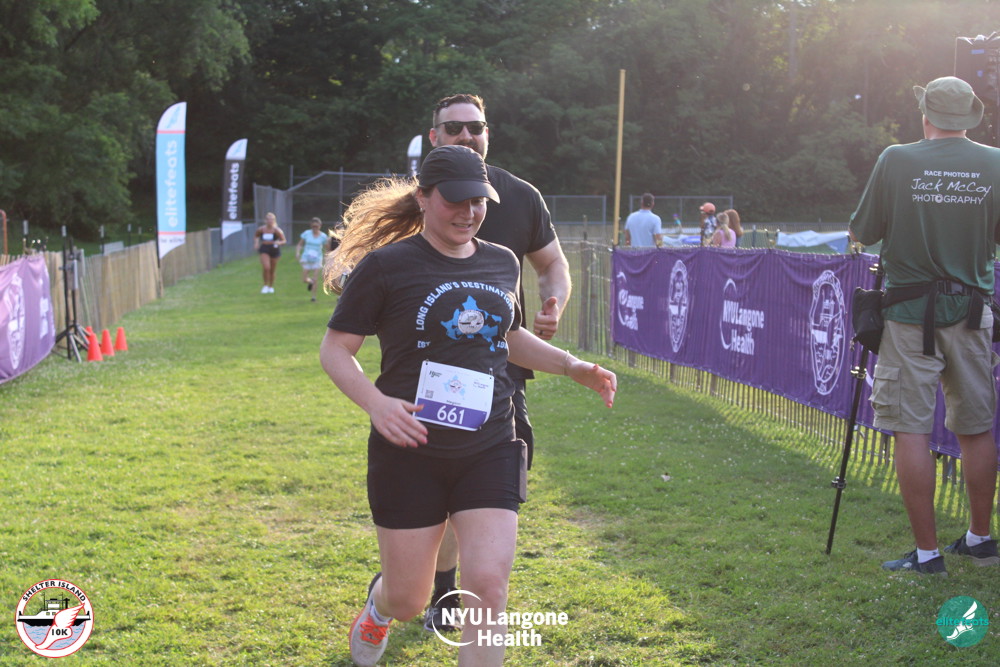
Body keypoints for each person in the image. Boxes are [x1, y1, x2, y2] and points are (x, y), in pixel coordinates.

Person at [321, 145, 616, 667]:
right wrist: (378, 405)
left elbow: (509, 336)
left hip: (490, 442)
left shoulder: (501, 260)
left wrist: (572, 366)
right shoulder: (387, 266)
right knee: (409, 599)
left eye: (478, 200)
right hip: (409, 447)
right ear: (423, 198)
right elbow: (335, 350)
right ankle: (380, 605)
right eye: (455, 200)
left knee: (488, 589)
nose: (469, 211)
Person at [422, 93, 573, 632]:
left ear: (488, 133)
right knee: (444, 490)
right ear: (434, 136)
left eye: (476, 126)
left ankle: (460, 584)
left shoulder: (521, 196)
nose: (467, 135)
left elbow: (552, 263)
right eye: (454, 128)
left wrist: (553, 301)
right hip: (436, 371)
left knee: (494, 480)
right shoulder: (421, 196)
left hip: (504, 368)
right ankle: (438, 587)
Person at [849, 76, 1000, 575]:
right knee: (976, 428)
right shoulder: (996, 163)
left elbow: (862, 231)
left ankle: (929, 555)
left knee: (910, 428)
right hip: (973, 313)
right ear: (969, 117)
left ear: (926, 115)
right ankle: (980, 539)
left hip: (910, 316)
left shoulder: (896, 159)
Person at [254, 212, 286, 293]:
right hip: (264, 249)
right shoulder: (261, 229)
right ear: (265, 220)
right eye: (268, 220)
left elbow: (284, 240)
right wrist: (256, 243)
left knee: (272, 269)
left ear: (274, 221)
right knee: (266, 267)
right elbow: (256, 236)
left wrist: (278, 243)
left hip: (274, 249)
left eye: (271, 220)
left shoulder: (277, 230)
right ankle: (265, 285)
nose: (270, 221)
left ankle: (271, 286)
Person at [296, 217, 326, 301]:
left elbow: (326, 248)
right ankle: (310, 282)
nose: (315, 228)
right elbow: (300, 244)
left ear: (320, 226)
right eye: (313, 226)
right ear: (311, 226)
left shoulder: (323, 236)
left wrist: (326, 258)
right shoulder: (306, 233)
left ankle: (313, 297)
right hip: (307, 257)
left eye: (316, 226)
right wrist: (298, 252)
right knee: (304, 279)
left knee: (315, 278)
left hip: (317, 258)